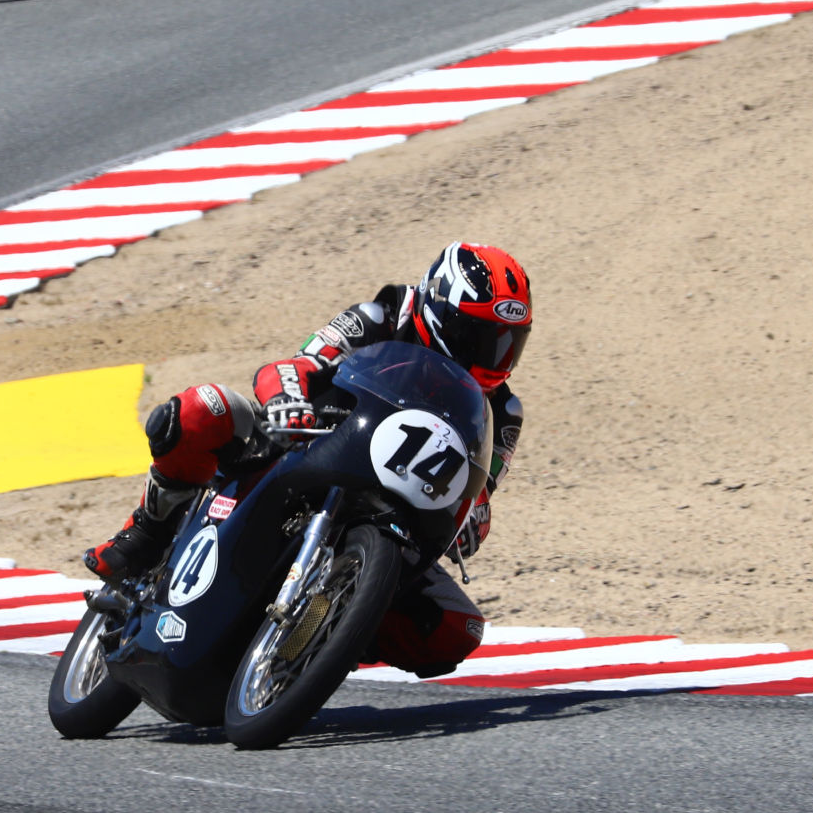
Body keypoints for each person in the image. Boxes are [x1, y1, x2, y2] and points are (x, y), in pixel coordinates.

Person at [84, 242, 532, 678]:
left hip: (397, 508)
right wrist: (289, 399)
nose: (492, 356)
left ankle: (325, 635)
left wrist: (474, 518)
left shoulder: (504, 413)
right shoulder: (379, 317)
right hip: (308, 441)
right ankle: (147, 530)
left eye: (507, 343)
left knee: (455, 629)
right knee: (202, 410)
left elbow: (482, 491)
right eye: (477, 336)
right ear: (439, 313)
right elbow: (297, 364)